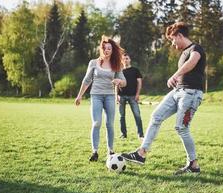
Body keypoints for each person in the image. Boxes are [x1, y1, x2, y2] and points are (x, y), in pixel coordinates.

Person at [121, 22, 206, 175]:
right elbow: (186, 67)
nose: (172, 44)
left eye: (173, 40)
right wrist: (176, 79)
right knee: (156, 116)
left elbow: (192, 62)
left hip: (191, 94)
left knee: (182, 128)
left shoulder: (196, 49)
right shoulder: (183, 52)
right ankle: (141, 154)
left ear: (179, 35)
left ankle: (193, 164)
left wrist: (175, 75)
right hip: (178, 91)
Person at [75, 35, 126, 162]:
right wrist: (79, 96)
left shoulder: (117, 64)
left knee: (109, 124)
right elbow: (87, 80)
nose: (107, 50)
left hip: (109, 96)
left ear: (112, 50)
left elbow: (124, 82)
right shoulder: (93, 63)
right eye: (104, 48)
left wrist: (119, 81)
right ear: (101, 49)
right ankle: (95, 151)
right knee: (96, 123)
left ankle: (110, 150)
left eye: (109, 48)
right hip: (96, 95)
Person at [118, 53, 144, 140]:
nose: (125, 60)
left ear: (130, 60)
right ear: (122, 60)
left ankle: (140, 134)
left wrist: (137, 94)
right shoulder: (119, 71)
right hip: (121, 96)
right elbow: (116, 84)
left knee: (137, 115)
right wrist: (116, 96)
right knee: (121, 116)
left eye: (127, 58)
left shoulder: (135, 70)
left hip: (133, 96)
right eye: (124, 59)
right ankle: (123, 134)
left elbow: (139, 83)